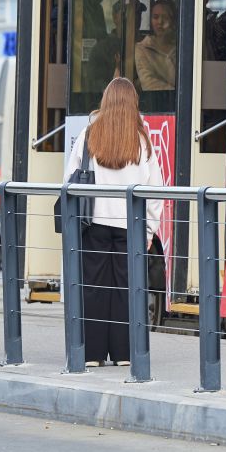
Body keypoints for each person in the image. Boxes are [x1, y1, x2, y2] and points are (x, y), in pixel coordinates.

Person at [66, 77, 167, 367]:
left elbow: (70, 179)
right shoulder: (142, 140)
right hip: (130, 226)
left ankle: (93, 354)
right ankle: (125, 353)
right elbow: (156, 190)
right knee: (127, 288)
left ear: (106, 101)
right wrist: (149, 229)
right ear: (133, 104)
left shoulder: (89, 134)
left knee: (94, 287)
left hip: (93, 224)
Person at [133, 0, 178, 92]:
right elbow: (149, 83)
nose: (160, 22)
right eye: (155, 17)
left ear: (173, 21)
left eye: (165, 17)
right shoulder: (142, 48)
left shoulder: (182, 47)